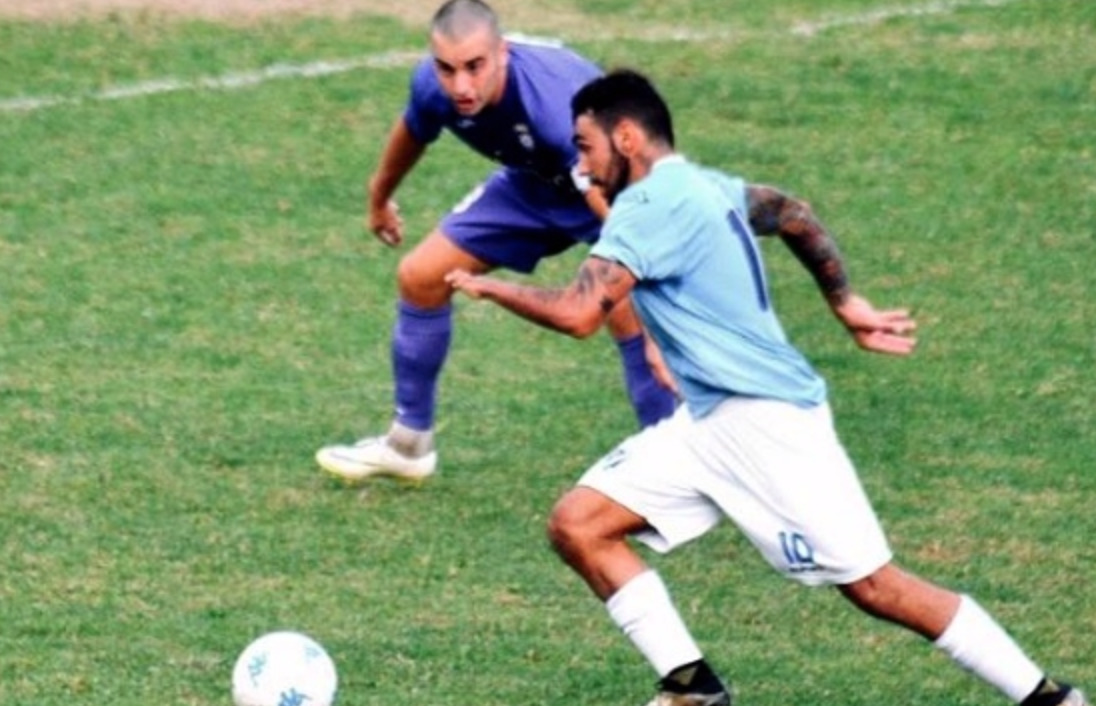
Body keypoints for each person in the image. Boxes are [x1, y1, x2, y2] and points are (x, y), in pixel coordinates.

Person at [445, 69, 1086, 706]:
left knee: (875, 587)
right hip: (708, 421)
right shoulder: (704, 187)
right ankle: (692, 688)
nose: (581, 165)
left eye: (586, 147)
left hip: (766, 425)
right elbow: (789, 213)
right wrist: (845, 300)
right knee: (578, 523)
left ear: (628, 138)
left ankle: (1049, 698)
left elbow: (578, 313)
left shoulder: (648, 206)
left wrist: (491, 285)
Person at [315, 0, 907, 483]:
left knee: (628, 319)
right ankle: (409, 444)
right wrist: (378, 197)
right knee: (419, 276)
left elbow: (621, 208)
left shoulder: (553, 109)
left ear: (503, 53)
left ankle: (689, 468)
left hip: (614, 191)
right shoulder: (435, 85)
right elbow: (415, 128)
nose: (460, 84)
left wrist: (649, 313)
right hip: (532, 185)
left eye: (474, 66)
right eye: (448, 69)